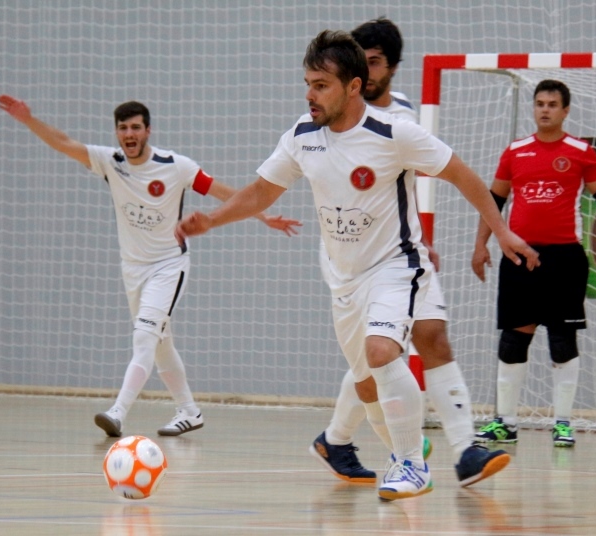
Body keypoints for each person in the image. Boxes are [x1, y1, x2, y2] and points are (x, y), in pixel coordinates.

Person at [176, 30, 538, 501]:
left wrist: (501, 229)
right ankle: (374, 449)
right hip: (342, 278)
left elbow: (462, 174)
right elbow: (261, 192)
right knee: (366, 386)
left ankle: (413, 465)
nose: (310, 94)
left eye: (321, 84)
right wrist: (214, 220)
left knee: (384, 352)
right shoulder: (301, 138)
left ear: (352, 86)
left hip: (395, 265)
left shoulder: (394, 133)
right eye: (307, 82)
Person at [0, 95, 300, 439]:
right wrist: (29, 119)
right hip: (133, 270)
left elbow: (221, 191)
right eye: (123, 128)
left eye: (136, 127)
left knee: (144, 337)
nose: (129, 133)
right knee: (159, 344)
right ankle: (189, 410)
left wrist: (264, 216)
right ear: (117, 133)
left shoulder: (176, 165)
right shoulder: (108, 161)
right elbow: (64, 143)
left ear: (148, 131)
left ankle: (118, 412)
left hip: (169, 265)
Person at [310, 17, 483, 488]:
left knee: (425, 337)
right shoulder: (323, 125)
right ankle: (344, 438)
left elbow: (416, 181)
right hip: (351, 259)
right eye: (359, 61)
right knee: (374, 357)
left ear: (392, 68)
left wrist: (424, 239)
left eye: (375, 60)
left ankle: (464, 449)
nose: (366, 69)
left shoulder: (403, 118)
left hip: (401, 253)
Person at [470, 79, 596, 448]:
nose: (545, 110)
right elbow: (493, 202)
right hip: (518, 255)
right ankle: (504, 423)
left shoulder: (581, 151)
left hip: (564, 259)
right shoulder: (515, 152)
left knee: (561, 339)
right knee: (513, 338)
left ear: (565, 110)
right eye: (540, 103)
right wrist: (481, 245)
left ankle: (563, 423)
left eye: (552, 104)